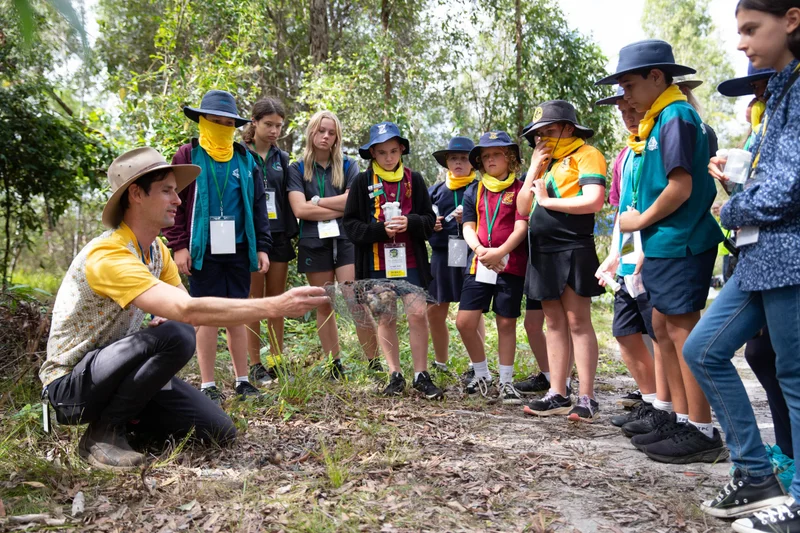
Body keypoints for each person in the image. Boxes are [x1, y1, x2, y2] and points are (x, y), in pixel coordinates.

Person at [40, 147, 328, 470]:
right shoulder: (108, 254)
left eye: (176, 191)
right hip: (72, 387)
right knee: (176, 335)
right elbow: (188, 313)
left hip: (120, 376)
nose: (178, 200)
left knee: (218, 430)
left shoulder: (156, 253)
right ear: (135, 194)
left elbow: (182, 308)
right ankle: (101, 434)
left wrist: (174, 315)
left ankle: (128, 425)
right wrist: (275, 305)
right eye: (166, 191)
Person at [683, 1, 800, 528]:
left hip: (790, 256)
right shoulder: (783, 89)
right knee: (704, 350)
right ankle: (756, 474)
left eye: (751, 29)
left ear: (792, 19)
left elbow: (789, 187)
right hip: (761, 257)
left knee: (795, 375)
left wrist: (732, 206)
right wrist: (739, 183)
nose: (741, 43)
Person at [596, 40, 727, 462]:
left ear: (657, 77)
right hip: (663, 241)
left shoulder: (676, 116)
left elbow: (681, 187)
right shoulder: (659, 119)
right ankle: (678, 417)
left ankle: (702, 430)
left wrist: (637, 220)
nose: (625, 96)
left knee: (683, 330)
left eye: (629, 85)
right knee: (663, 324)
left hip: (681, 238)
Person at [163, 90, 272, 405]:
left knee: (237, 312)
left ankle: (242, 381)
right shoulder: (187, 155)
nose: (222, 126)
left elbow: (257, 207)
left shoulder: (245, 158)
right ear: (202, 120)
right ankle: (208, 384)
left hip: (238, 248)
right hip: (203, 248)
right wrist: (179, 246)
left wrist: (262, 246)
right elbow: (176, 205)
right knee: (206, 315)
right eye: (215, 120)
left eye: (228, 122)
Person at [517, 101, 607, 422]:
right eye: (538, 134)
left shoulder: (587, 154)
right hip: (542, 250)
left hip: (573, 245)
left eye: (549, 131)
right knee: (552, 322)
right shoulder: (545, 163)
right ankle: (557, 391)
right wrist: (532, 168)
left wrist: (548, 200)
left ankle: (587, 396)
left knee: (577, 322)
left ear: (568, 128)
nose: (543, 139)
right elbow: (523, 207)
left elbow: (593, 199)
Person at [343, 122, 443, 399]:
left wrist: (409, 222)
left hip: (411, 261)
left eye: (394, 151)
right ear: (373, 153)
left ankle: (421, 374)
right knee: (385, 317)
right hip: (376, 264)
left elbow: (429, 219)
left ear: (402, 150)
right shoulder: (362, 182)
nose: (389, 158)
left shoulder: (416, 179)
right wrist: (378, 229)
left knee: (418, 315)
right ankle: (394, 374)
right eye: (382, 152)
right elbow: (350, 225)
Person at [287, 110, 380, 377]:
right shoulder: (296, 169)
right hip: (314, 241)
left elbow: (353, 202)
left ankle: (374, 363)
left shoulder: (349, 166)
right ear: (311, 132)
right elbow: (299, 211)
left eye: (331, 132)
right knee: (323, 302)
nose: (325, 136)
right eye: (321, 131)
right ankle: (334, 365)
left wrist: (315, 202)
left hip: (347, 239)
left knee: (355, 299)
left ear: (337, 137)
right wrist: (337, 207)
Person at [594, 87, 665, 431]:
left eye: (632, 110)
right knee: (624, 332)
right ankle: (650, 401)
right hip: (626, 259)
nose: (628, 115)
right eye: (622, 111)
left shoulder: (658, 144)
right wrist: (612, 254)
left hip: (655, 255)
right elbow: (622, 211)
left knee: (659, 335)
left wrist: (645, 251)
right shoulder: (625, 156)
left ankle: (669, 408)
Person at [455, 131, 529, 404]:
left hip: (511, 264)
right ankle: (482, 373)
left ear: (510, 158)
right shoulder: (474, 190)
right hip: (479, 263)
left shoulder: (520, 189)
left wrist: (500, 252)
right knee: (464, 322)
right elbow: (468, 226)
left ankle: (507, 381)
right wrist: (481, 251)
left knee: (506, 322)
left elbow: (522, 226)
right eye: (485, 156)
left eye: (496, 153)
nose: (490, 159)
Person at [242, 97, 298, 386]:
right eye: (268, 124)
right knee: (255, 301)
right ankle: (254, 364)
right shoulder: (241, 154)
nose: (275, 131)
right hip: (251, 238)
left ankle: (277, 361)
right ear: (254, 122)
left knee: (277, 301)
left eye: (279, 125)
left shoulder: (283, 159)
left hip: (278, 237)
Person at [427, 136, 484, 375]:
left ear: (473, 163)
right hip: (442, 254)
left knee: (473, 310)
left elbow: (493, 221)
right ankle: (441, 362)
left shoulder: (481, 188)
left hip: (471, 253)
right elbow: (422, 219)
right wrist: (431, 225)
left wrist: (471, 219)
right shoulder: (436, 190)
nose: (458, 163)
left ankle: (476, 364)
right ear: (446, 163)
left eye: (463, 158)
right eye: (453, 158)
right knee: (435, 309)